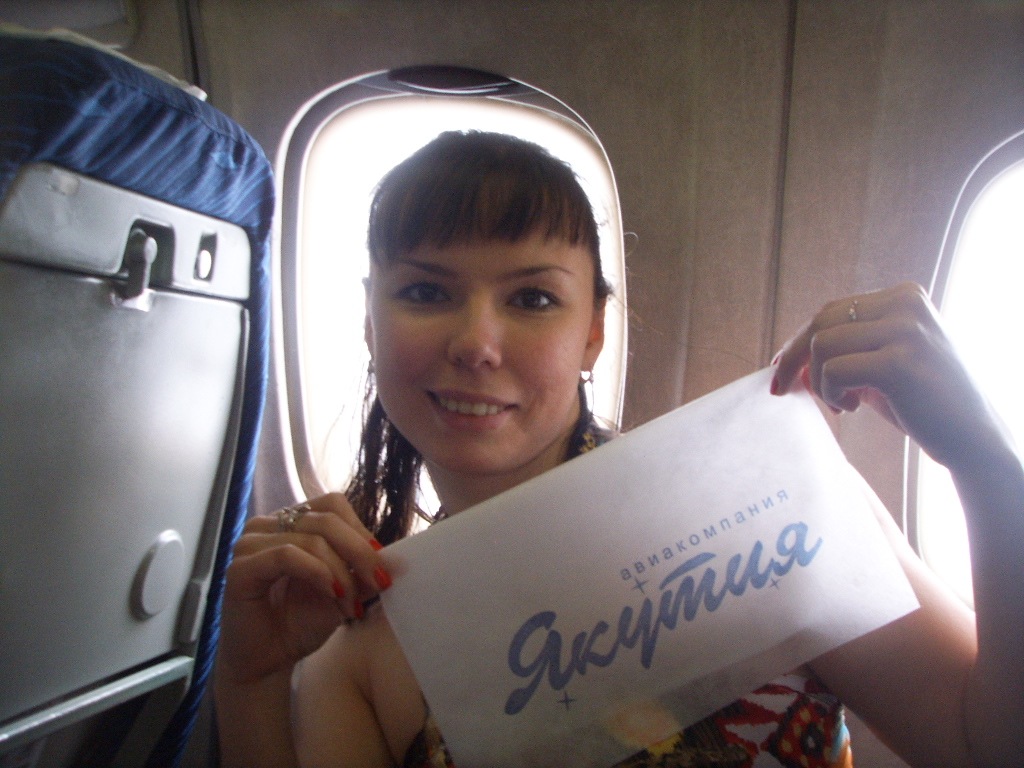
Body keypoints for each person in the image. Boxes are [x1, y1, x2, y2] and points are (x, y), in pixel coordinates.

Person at [214, 130, 1024, 767]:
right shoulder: (363, 650)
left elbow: (986, 747)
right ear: (369, 319)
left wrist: (987, 466)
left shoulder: (769, 503)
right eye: (426, 291)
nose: (476, 344)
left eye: (533, 298)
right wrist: (247, 681)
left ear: (594, 331)